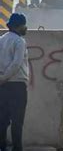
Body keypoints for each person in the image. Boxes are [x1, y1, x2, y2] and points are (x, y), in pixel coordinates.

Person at [0, 13, 29, 151]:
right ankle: (17, 148)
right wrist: (5, 77)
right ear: (19, 26)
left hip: (3, 86)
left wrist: (1, 79)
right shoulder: (19, 41)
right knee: (17, 121)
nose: (26, 28)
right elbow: (16, 64)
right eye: (24, 25)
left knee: (2, 120)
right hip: (17, 85)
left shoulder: (1, 40)